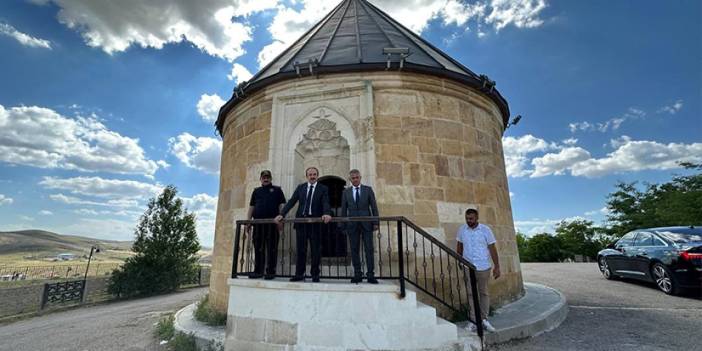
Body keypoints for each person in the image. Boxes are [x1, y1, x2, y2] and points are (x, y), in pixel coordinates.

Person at [275, 167, 332, 282]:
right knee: (301, 250)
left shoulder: (323, 188)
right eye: (310, 174)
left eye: (314, 174)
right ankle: (299, 274)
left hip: (315, 223)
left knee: (316, 250)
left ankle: (315, 274)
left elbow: (326, 202)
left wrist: (326, 213)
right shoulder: (301, 188)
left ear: (317, 175)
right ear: (307, 176)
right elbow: (292, 201)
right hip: (301, 222)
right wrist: (282, 214)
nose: (312, 176)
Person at [456, 208, 501, 333]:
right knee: (471, 293)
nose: (468, 221)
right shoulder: (462, 230)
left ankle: (484, 319)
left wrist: (497, 266)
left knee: (484, 293)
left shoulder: (486, 230)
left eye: (471, 218)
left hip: (483, 267)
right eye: (467, 218)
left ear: (477, 218)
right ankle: (473, 320)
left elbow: (492, 248)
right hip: (468, 266)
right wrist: (459, 260)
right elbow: (459, 246)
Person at [340, 169, 379, 284]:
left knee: (369, 249)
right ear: (350, 179)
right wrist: (343, 225)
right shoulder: (346, 192)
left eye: (357, 177)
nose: (355, 180)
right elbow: (343, 210)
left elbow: (374, 206)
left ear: (360, 178)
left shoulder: (368, 190)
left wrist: (376, 222)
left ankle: (370, 275)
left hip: (367, 224)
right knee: (354, 249)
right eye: (353, 178)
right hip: (352, 225)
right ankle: (358, 274)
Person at [246, 170, 286, 280]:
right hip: (258, 224)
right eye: (264, 177)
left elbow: (281, 207)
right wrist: (248, 221)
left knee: (272, 248)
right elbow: (251, 207)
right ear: (261, 178)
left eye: (268, 177)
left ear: (271, 178)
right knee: (258, 248)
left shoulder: (277, 190)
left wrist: (281, 220)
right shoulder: (256, 191)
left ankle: (270, 272)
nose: (266, 178)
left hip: (272, 224)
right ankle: (258, 271)